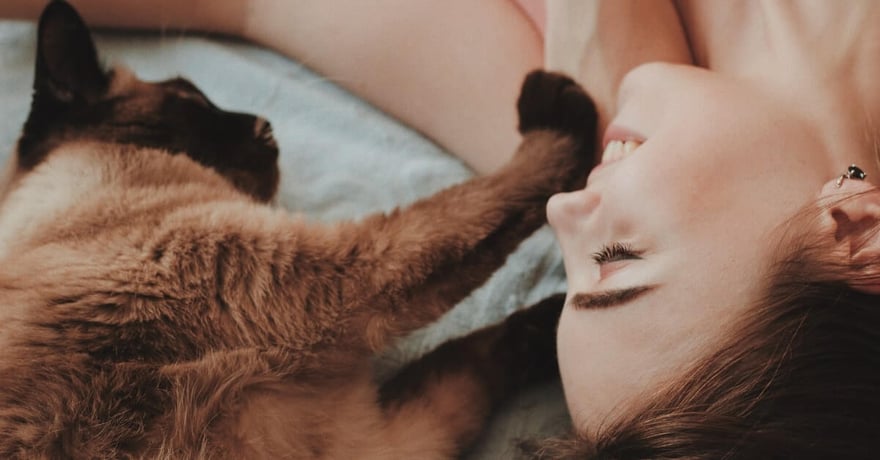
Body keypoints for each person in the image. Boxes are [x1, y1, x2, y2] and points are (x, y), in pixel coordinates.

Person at [3, 1, 879, 457]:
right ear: (855, 231)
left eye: (567, 277)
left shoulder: (592, 116)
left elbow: (261, 5)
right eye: (616, 257)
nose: (562, 210)